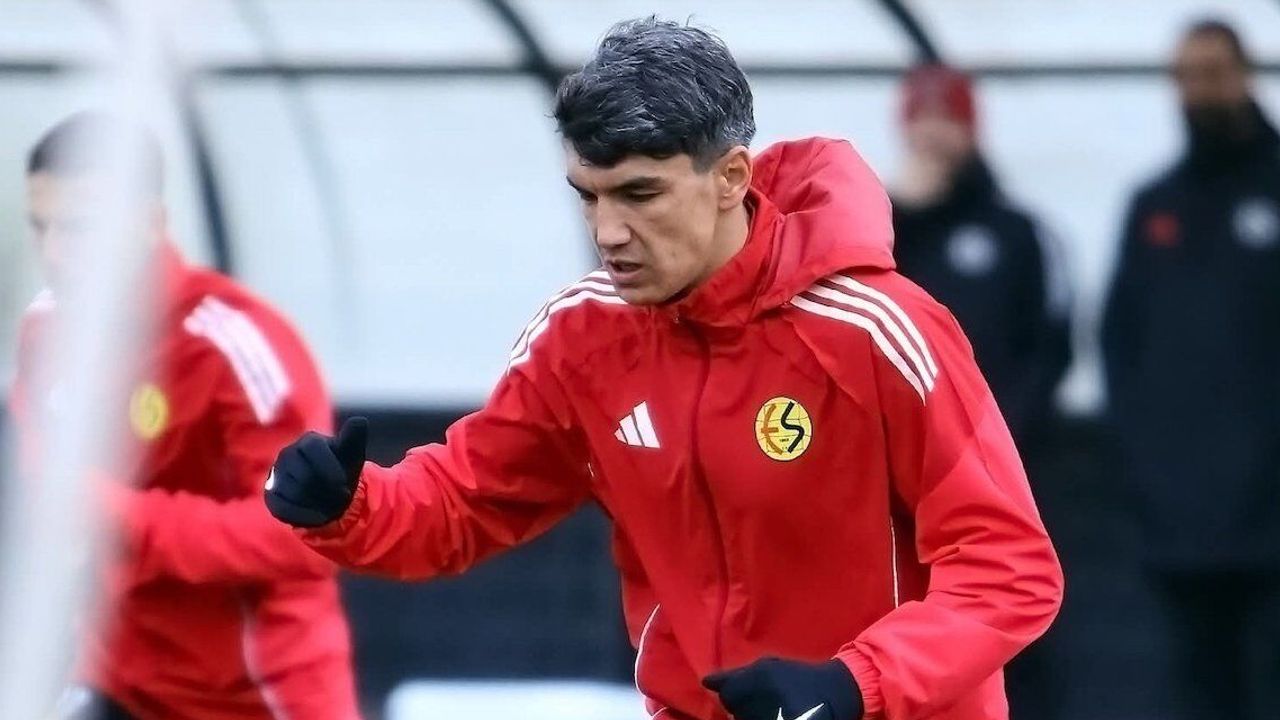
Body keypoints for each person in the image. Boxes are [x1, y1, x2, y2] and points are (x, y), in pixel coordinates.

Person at [266, 19, 1063, 720]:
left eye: (640, 194)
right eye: (589, 197)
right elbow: (466, 500)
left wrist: (855, 685)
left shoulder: (876, 331)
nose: (608, 231)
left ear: (731, 179)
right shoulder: (582, 337)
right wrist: (349, 504)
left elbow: (1008, 568)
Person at [9, 113, 361, 720]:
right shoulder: (44, 332)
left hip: (258, 698)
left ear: (149, 222)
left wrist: (122, 519)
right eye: (43, 228)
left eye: (82, 228)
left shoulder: (232, 344)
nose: (57, 253)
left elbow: (309, 537)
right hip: (119, 685)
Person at [1101, 19, 1280, 720]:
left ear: (1245, 75)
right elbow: (1120, 343)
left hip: (1271, 510)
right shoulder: (1156, 207)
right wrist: (1146, 464)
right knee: (1198, 690)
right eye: (1187, 75)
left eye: (1214, 72)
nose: (1201, 89)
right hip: (1183, 516)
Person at [891, 63, 1070, 448]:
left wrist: (1004, 432)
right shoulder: (880, 229)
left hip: (996, 445)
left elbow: (1049, 345)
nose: (933, 133)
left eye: (948, 118)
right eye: (922, 118)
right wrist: (899, 214)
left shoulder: (1016, 232)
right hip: (900, 442)